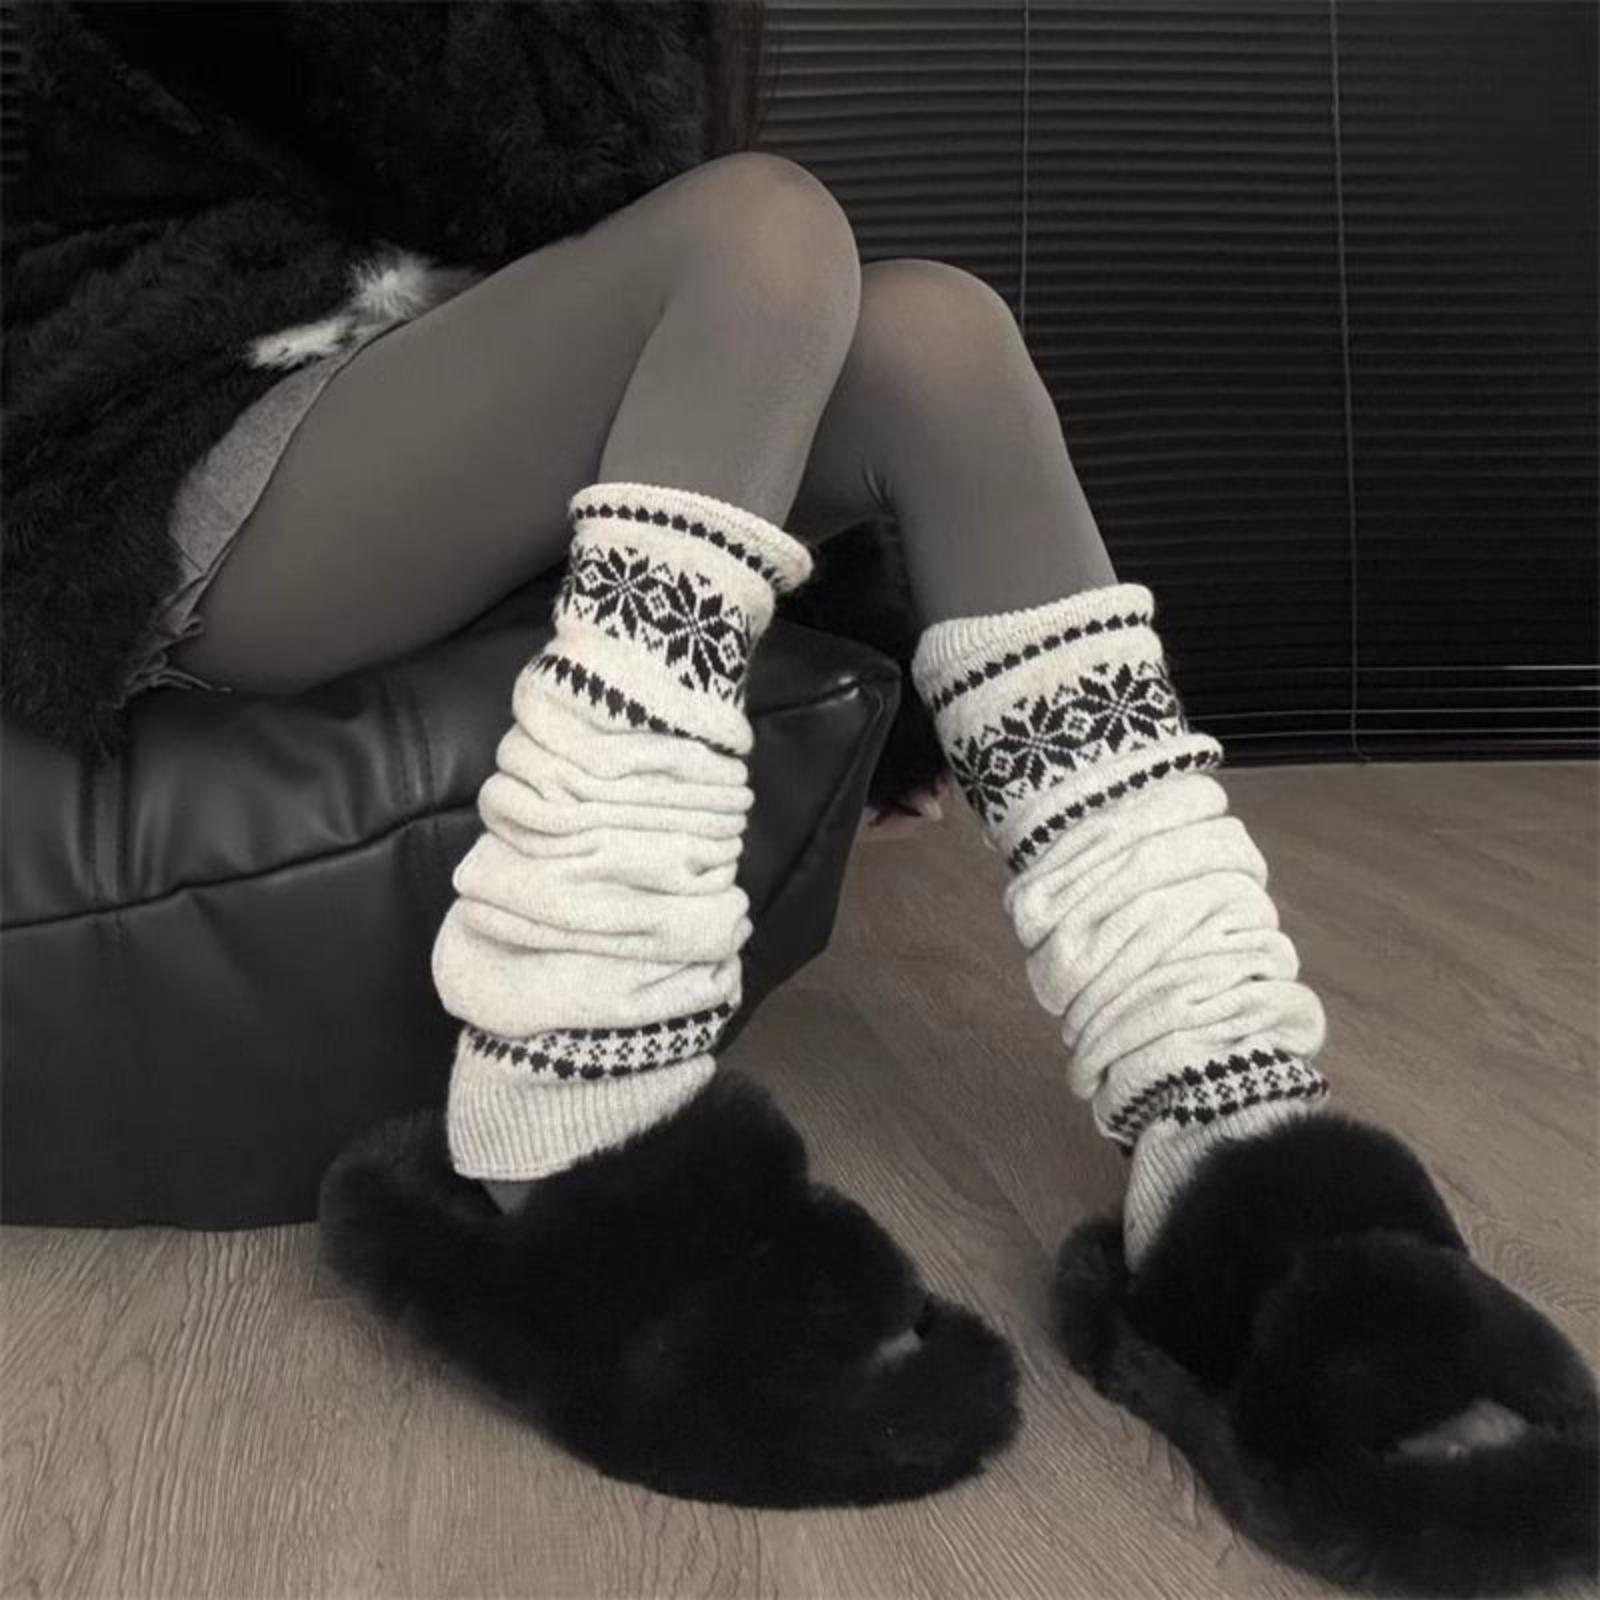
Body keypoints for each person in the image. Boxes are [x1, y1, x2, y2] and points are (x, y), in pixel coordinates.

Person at [6, 3, 1592, 1587]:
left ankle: (1228, 1125)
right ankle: (563, 1103)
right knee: (759, 229)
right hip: (180, 416)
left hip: (452, 366)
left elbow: (595, 216)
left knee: (935, 335)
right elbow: (531, 164)